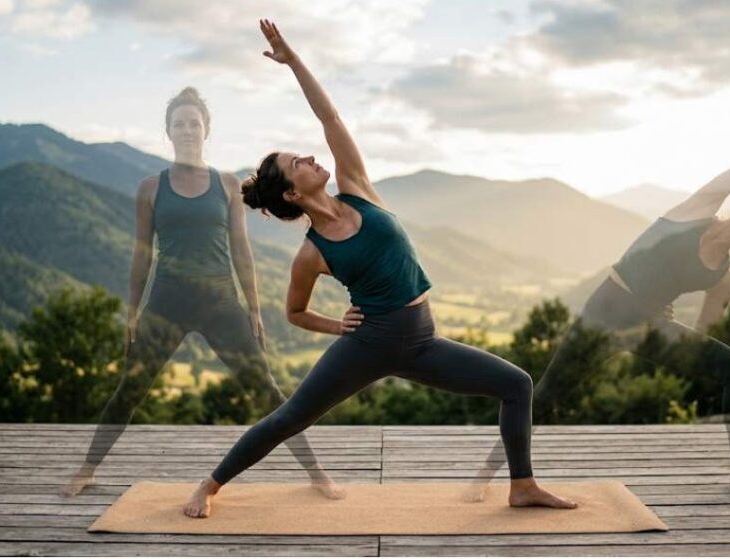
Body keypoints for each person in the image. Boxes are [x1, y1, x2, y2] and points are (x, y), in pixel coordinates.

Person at [181, 20, 581, 519]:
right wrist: (337, 326)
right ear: (292, 193)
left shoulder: (357, 188)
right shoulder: (311, 254)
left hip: (423, 342)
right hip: (369, 344)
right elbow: (295, 312)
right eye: (298, 162)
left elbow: (329, 117)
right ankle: (209, 486)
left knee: (516, 384)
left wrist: (294, 62)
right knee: (292, 417)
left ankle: (522, 486)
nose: (310, 156)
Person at [463, 132, 730, 499]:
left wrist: (680, 341)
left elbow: (701, 337)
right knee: (547, 394)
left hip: (647, 328)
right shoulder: (697, 209)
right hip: (605, 313)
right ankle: (485, 477)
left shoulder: (721, 279)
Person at [59, 86, 341, 499]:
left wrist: (254, 309)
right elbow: (142, 254)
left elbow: (241, 251)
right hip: (165, 303)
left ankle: (316, 474)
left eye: (194, 123)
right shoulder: (150, 188)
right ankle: (86, 469)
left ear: (206, 130)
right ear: (168, 132)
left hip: (221, 304)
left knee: (267, 390)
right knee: (130, 389)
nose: (188, 130)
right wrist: (132, 311)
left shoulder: (226, 185)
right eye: (180, 124)